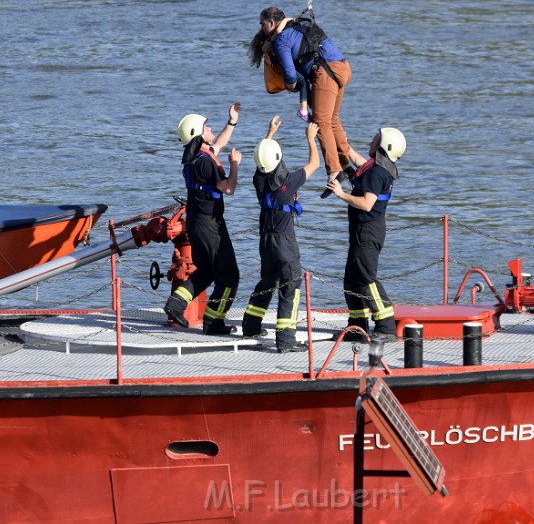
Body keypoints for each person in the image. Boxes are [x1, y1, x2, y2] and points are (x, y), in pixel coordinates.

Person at [251, 7, 356, 184]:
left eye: (262, 24)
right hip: (343, 67)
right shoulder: (299, 23)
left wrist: (294, 87)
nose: (261, 28)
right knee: (332, 120)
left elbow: (291, 78)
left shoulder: (282, 40)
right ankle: (347, 166)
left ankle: (334, 171)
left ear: (271, 23)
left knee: (321, 122)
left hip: (326, 73)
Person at [243, 117, 321, 352]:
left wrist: (270, 134)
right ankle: (286, 340)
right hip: (284, 242)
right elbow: (315, 163)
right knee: (290, 286)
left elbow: (263, 159)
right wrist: (310, 138)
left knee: (267, 281)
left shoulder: (258, 180)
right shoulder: (289, 181)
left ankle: (251, 324)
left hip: (265, 240)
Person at [164, 104, 242, 335]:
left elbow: (217, 144)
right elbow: (228, 189)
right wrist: (235, 165)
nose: (210, 128)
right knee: (229, 276)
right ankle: (214, 322)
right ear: (199, 135)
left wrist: (232, 122)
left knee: (206, 272)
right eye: (206, 127)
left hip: (195, 222)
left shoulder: (195, 158)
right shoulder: (207, 162)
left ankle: (175, 303)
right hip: (210, 225)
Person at [325, 127, 406, 341]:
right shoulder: (378, 167)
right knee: (352, 279)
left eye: (375, 139)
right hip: (362, 230)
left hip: (368, 231)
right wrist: (339, 141)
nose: (371, 141)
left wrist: (340, 194)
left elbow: (367, 204)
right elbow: (356, 160)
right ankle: (357, 326)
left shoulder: (378, 172)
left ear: (382, 147)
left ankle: (386, 326)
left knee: (367, 279)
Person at [251, 13, 311, 122]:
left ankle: (307, 109)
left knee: (305, 86)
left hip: (282, 71)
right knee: (304, 83)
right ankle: (303, 110)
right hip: (285, 71)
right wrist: (288, 19)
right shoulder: (271, 41)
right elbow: (278, 31)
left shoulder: (268, 43)